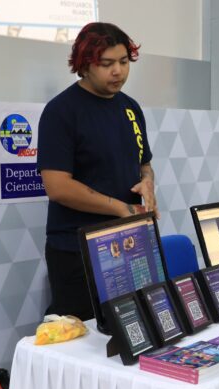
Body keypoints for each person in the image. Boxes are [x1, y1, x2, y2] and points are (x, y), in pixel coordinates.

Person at [37, 22, 158, 321]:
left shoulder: (131, 108)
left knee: (132, 328)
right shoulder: (61, 111)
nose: (118, 71)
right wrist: (120, 208)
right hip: (78, 250)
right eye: (106, 64)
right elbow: (57, 187)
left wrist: (147, 183)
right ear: (84, 64)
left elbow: (144, 164)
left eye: (124, 62)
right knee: (79, 335)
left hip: (128, 243)